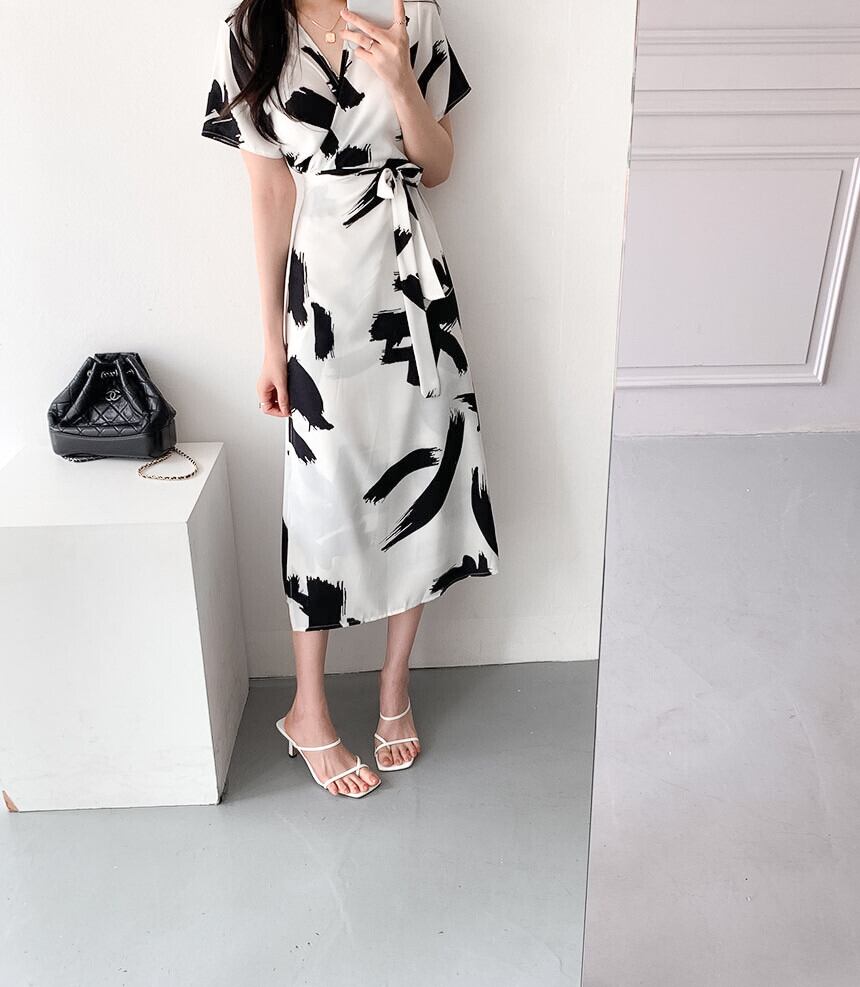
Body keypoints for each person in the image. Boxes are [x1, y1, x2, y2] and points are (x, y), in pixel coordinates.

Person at [202, 0, 499, 798]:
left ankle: (394, 685)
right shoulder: (251, 32)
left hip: (410, 284)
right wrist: (272, 341)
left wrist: (401, 82)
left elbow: (439, 164)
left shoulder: (410, 10)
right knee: (321, 492)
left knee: (422, 471)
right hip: (322, 298)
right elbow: (269, 195)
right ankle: (307, 707)